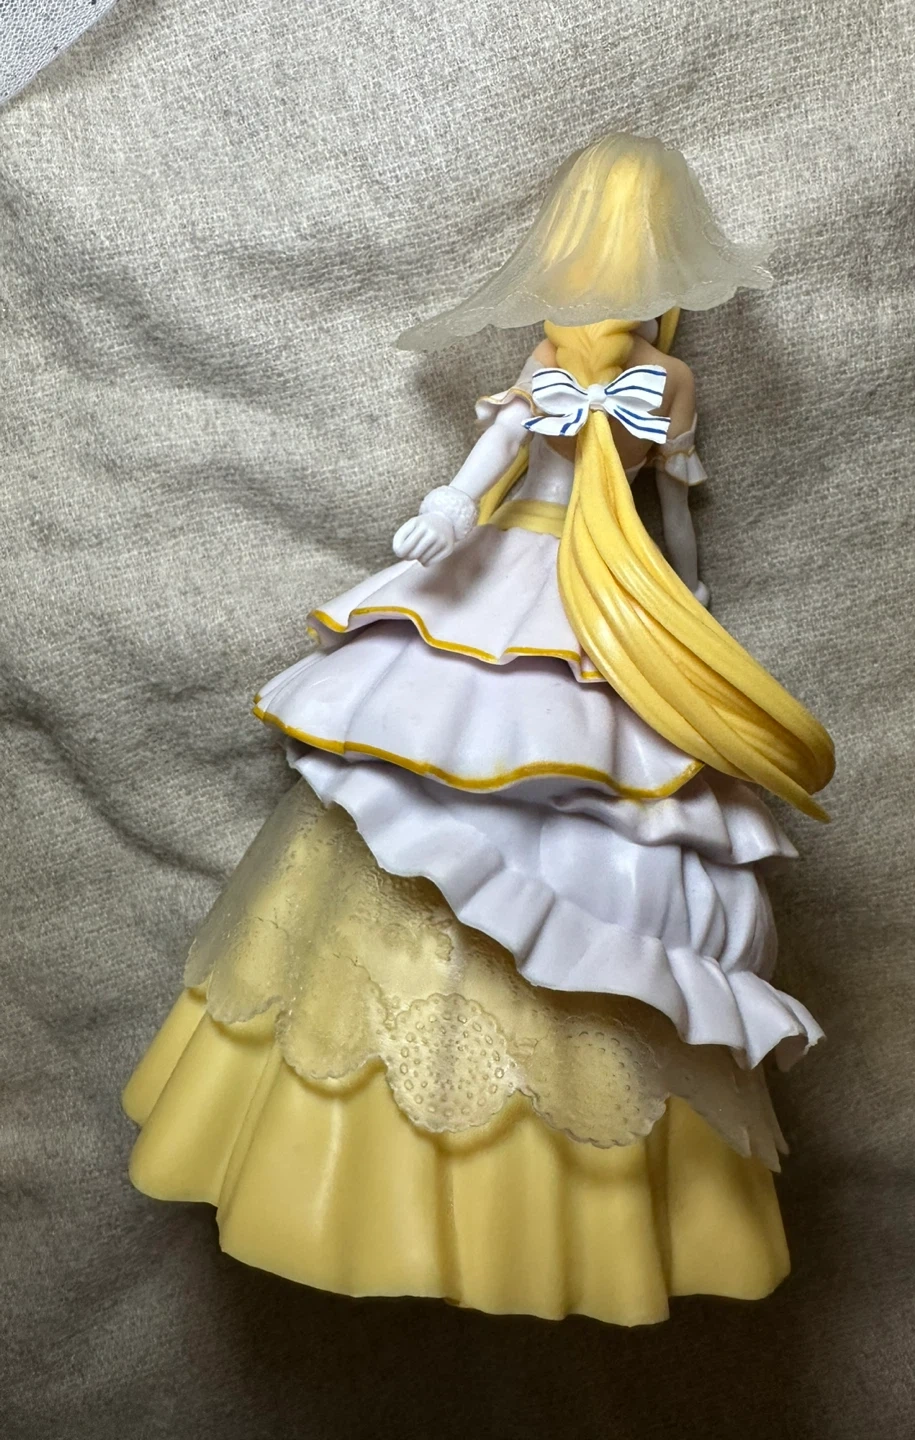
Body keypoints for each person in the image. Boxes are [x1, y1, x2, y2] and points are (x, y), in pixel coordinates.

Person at [123, 132, 835, 1326]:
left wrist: (685, 601)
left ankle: (562, 1206)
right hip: (505, 569)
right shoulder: (551, 349)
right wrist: (450, 510)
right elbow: (499, 448)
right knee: (426, 771)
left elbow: (669, 496)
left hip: (611, 595)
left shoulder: (668, 379)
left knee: (609, 799)